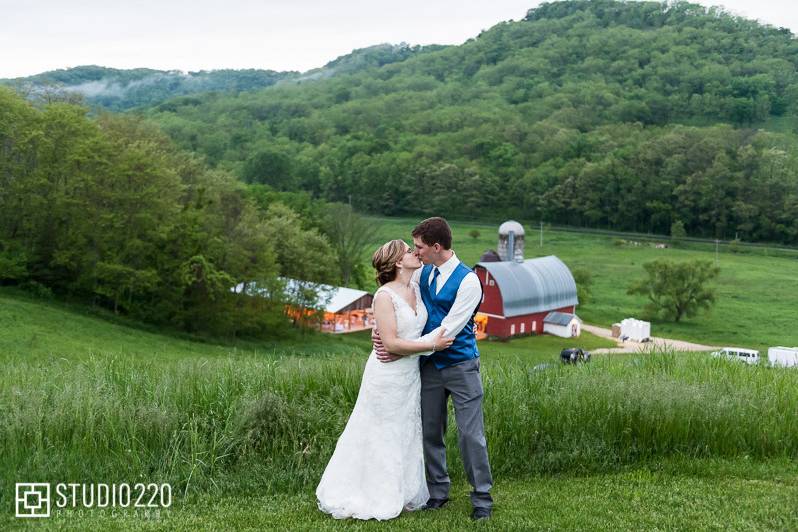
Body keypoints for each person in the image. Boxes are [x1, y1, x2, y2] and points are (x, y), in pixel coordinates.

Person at [316, 239, 454, 521]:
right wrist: (431, 345)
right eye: (407, 251)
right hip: (386, 375)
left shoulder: (415, 284)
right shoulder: (383, 296)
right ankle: (375, 494)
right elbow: (390, 345)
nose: (414, 253)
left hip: (410, 375)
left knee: (405, 430)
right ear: (396, 263)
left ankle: (402, 492)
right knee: (381, 432)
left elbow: (441, 257)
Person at [373, 217, 494, 521]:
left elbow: (447, 331)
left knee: (470, 434)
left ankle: (482, 498)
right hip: (428, 368)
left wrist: (398, 346)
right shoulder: (422, 273)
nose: (416, 252)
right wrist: (382, 335)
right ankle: (438, 492)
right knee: (430, 431)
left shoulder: (468, 281)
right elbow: (399, 302)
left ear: (437, 247)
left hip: (461, 365)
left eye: (420, 247)